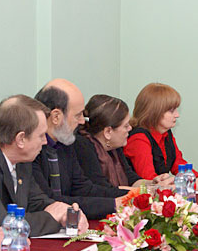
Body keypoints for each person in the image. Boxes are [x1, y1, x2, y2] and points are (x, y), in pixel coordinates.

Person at [33, 79, 128, 220]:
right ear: (56, 116)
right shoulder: (31, 149)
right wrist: (113, 204)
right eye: (78, 115)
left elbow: (83, 188)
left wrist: (131, 197)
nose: (83, 121)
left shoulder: (66, 144)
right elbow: (49, 200)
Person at [0, 94, 88, 236]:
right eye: (41, 135)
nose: (45, 142)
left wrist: (64, 211)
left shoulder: (22, 164)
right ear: (20, 139)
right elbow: (3, 226)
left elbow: (36, 201)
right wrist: (52, 217)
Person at [124, 83, 198, 191]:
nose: (177, 115)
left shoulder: (165, 132)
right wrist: (194, 184)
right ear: (155, 112)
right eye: (171, 111)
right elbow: (150, 181)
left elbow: (177, 163)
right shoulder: (139, 138)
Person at [74, 94, 174, 189]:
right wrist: (146, 190)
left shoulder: (115, 147)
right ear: (108, 132)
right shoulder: (84, 147)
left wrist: (152, 183)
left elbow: (131, 179)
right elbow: (103, 189)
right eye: (126, 126)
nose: (130, 128)